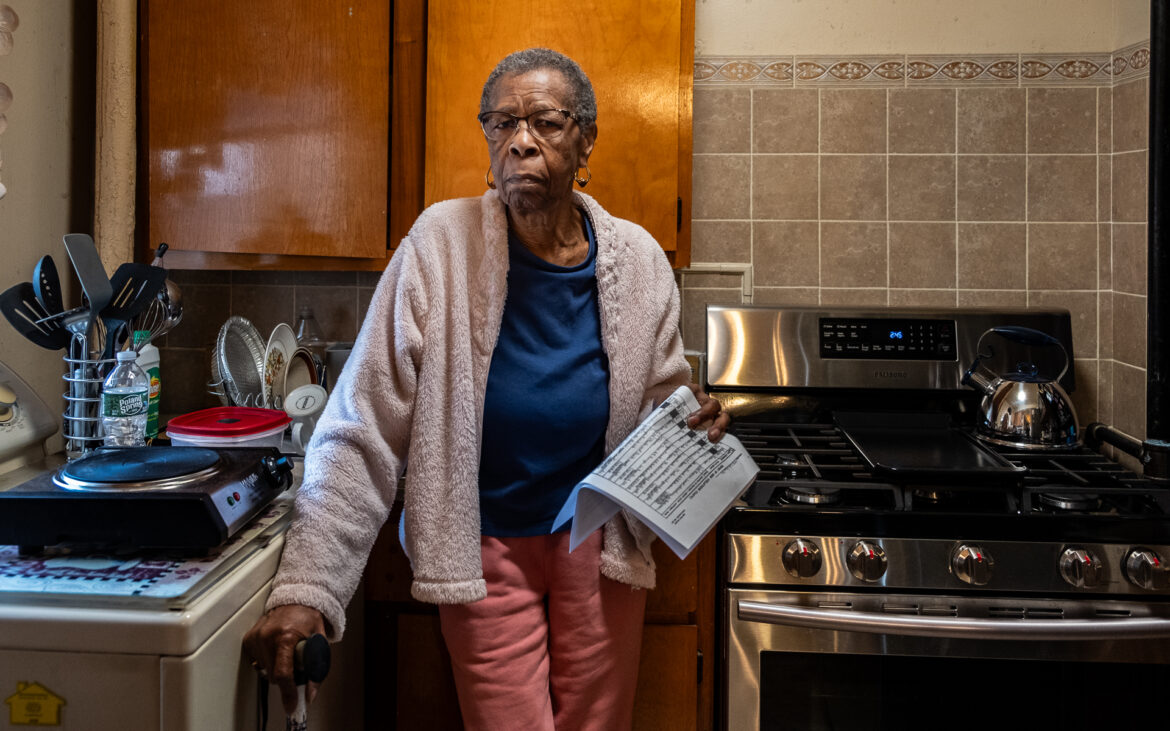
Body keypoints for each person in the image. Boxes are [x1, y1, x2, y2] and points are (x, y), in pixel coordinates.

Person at [244, 47, 730, 730]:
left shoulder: (642, 260)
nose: (520, 141)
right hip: (482, 544)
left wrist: (691, 421)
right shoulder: (437, 246)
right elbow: (362, 427)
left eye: (544, 123)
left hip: (597, 543)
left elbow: (662, 398)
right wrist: (309, 589)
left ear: (585, 139)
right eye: (501, 124)